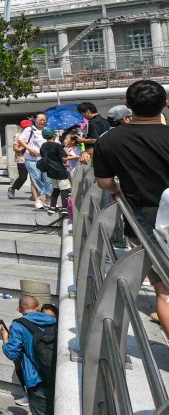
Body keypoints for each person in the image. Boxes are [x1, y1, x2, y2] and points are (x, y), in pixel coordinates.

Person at [93, 79, 169, 332]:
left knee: (165, 293)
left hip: (144, 225)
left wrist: (118, 190)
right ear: (165, 104)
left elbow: (104, 182)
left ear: (128, 105)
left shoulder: (109, 140)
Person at [1, 295, 57, 415]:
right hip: (56, 373)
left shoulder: (18, 325)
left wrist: (5, 337)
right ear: (37, 307)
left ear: (18, 308)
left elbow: (12, 353)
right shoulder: (53, 321)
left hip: (36, 378)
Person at [19, 114, 52, 209]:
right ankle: (38, 199)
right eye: (40, 120)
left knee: (48, 179)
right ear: (35, 120)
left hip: (46, 159)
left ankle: (48, 199)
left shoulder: (48, 130)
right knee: (35, 178)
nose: (42, 122)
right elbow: (21, 140)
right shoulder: (29, 130)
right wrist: (29, 148)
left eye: (44, 120)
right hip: (32, 159)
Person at [37, 128, 70, 214]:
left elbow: (47, 157)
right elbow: (64, 159)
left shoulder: (43, 146)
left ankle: (52, 207)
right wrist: (76, 156)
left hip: (50, 170)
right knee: (64, 189)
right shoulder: (57, 145)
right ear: (54, 136)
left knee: (56, 189)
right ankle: (64, 208)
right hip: (59, 170)